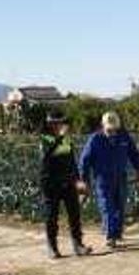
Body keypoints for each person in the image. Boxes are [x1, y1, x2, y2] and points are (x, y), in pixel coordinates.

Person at [78, 112, 139, 250]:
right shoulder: (95, 139)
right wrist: (84, 181)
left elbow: (134, 154)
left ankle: (117, 233)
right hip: (103, 179)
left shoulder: (124, 137)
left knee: (120, 206)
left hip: (121, 177)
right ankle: (110, 236)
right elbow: (84, 161)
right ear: (103, 126)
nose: (112, 132)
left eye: (114, 129)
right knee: (107, 207)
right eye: (109, 129)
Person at [39, 110, 91, 259]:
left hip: (68, 181)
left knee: (74, 214)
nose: (61, 125)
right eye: (58, 123)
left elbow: (71, 160)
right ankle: (52, 247)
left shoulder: (66, 139)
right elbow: (47, 156)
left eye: (62, 122)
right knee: (51, 216)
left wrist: (78, 179)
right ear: (51, 124)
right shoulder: (44, 138)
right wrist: (60, 136)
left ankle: (78, 245)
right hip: (50, 182)